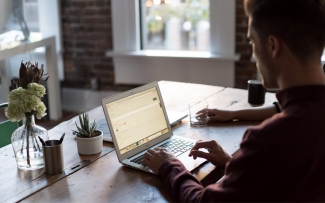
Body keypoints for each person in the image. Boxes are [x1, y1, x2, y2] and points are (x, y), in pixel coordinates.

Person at [142, 0, 325, 201]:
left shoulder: (270, 140)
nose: (254, 56)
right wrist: (234, 163)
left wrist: (169, 165)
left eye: (253, 42)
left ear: (273, 46)